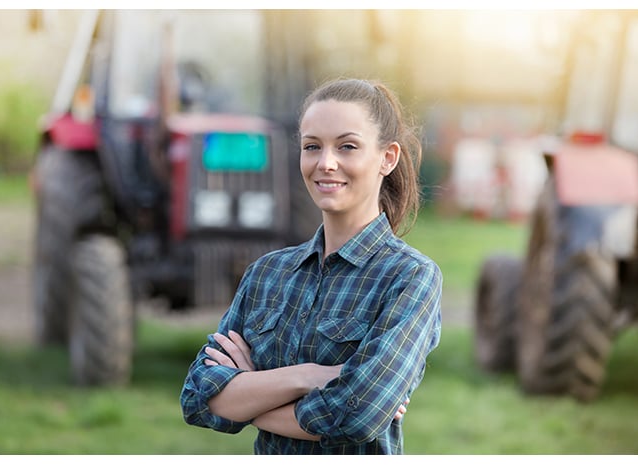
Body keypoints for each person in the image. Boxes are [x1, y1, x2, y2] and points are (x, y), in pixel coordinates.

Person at [180, 77, 442, 454]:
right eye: (312, 147)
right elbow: (197, 398)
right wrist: (306, 377)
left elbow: (356, 415)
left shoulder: (410, 278)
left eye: (347, 146)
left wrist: (248, 394)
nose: (326, 163)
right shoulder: (267, 274)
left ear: (387, 158)